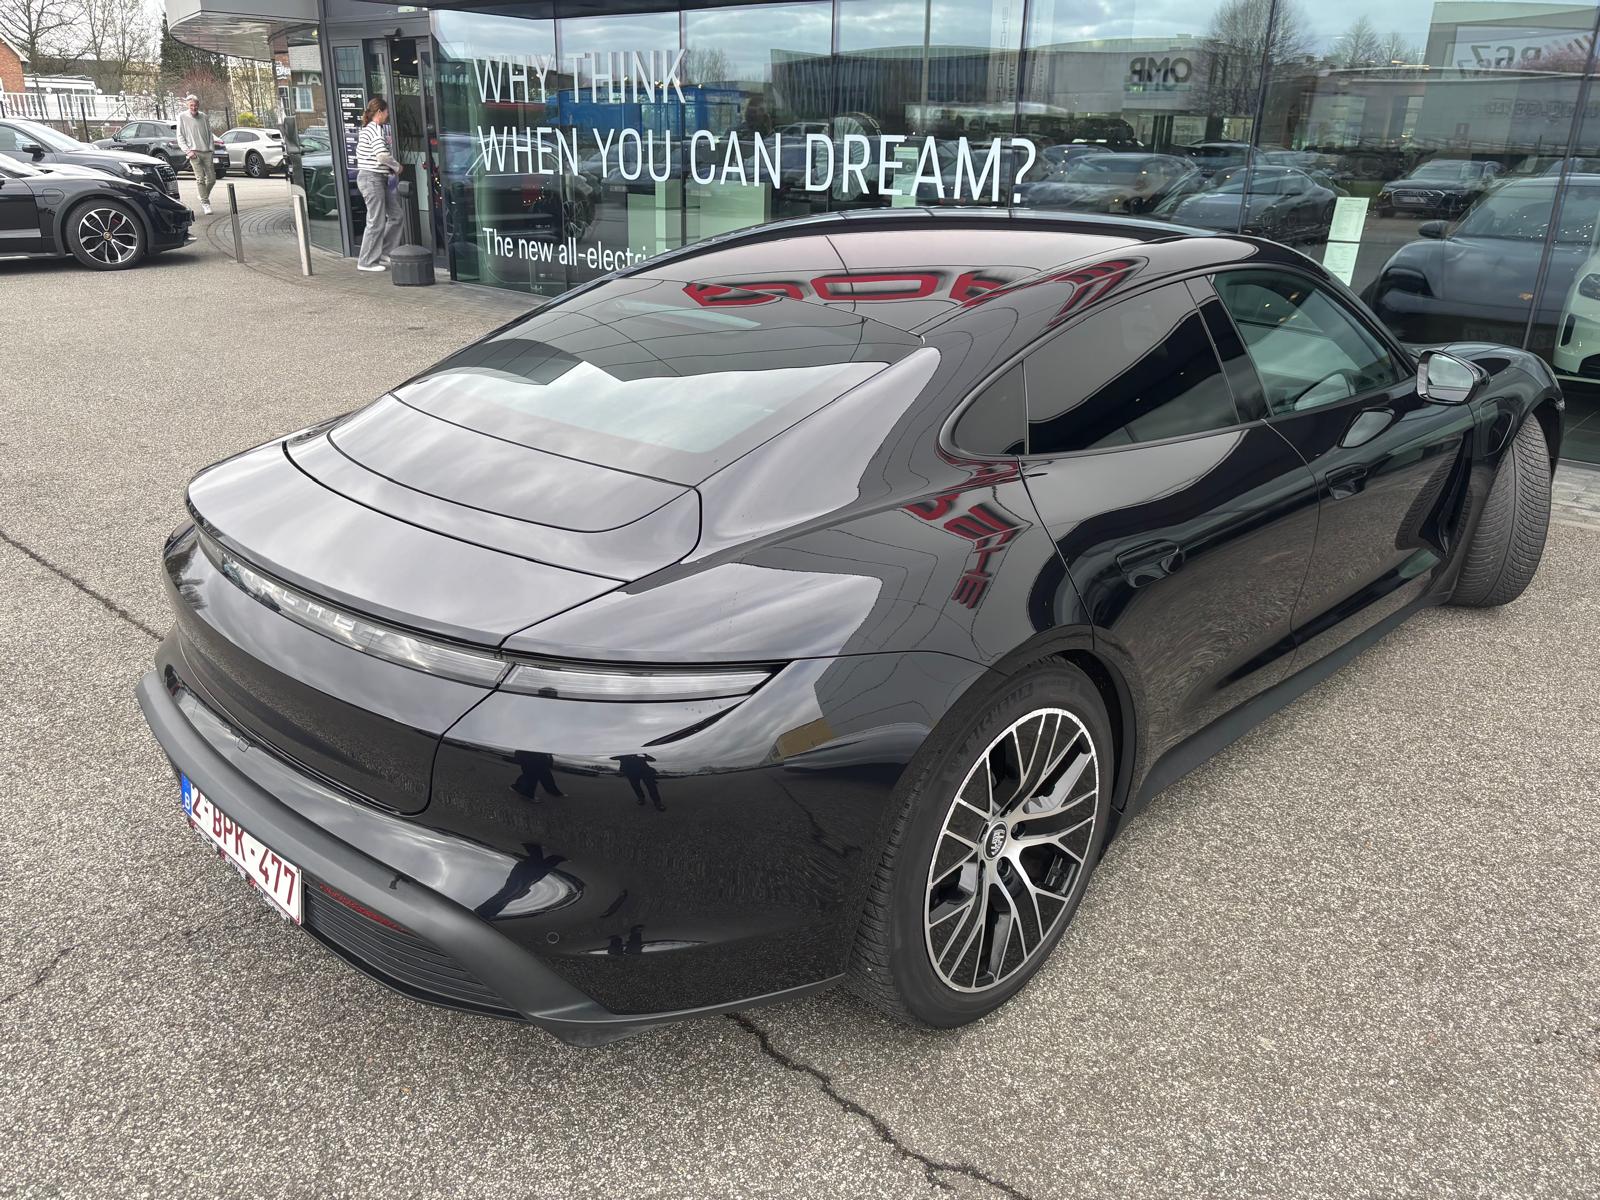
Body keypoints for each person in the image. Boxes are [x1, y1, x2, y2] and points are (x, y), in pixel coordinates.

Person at [355, 97, 403, 272]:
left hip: (376, 179)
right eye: (387, 111)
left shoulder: (368, 129)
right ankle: (366, 261)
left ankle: (384, 252)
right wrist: (397, 167)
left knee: (396, 215)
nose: (388, 115)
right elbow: (381, 155)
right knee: (375, 221)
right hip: (372, 179)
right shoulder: (374, 130)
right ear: (379, 112)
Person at [175, 94, 214, 215]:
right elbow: (180, 136)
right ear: (187, 105)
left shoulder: (204, 117)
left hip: (206, 152)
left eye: (195, 105)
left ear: (198, 105)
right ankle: (205, 203)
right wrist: (188, 151)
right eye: (191, 105)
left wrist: (211, 149)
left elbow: (210, 133)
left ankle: (202, 195)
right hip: (193, 152)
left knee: (212, 179)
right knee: (200, 179)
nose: (193, 107)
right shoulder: (182, 117)